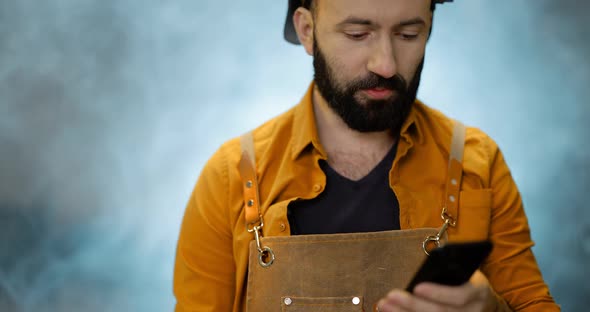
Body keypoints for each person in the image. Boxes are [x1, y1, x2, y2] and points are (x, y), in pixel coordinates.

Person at [173, 0, 560, 311]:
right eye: (358, 34)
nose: (386, 64)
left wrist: (490, 309)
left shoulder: (479, 162)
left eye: (409, 34)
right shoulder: (231, 175)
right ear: (308, 31)